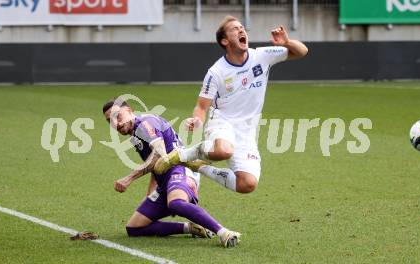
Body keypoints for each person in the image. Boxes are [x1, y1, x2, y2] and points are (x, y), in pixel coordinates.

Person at [155, 15, 308, 194]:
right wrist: (197, 120)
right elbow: (202, 106)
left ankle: (198, 166)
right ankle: (182, 154)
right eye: (235, 29)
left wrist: (287, 42)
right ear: (225, 40)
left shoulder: (261, 56)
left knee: (247, 184)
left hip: (247, 131)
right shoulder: (216, 72)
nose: (241, 30)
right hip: (222, 121)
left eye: (242, 27)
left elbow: (302, 51)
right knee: (223, 151)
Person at [102, 98, 241, 248]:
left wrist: (128, 178)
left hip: (181, 169)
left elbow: (158, 154)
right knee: (134, 228)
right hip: (165, 180)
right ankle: (190, 228)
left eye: (118, 116)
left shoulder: (144, 124)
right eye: (110, 121)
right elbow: (157, 164)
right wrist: (151, 191)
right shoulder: (135, 132)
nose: (116, 123)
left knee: (175, 203)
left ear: (129, 111)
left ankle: (224, 233)